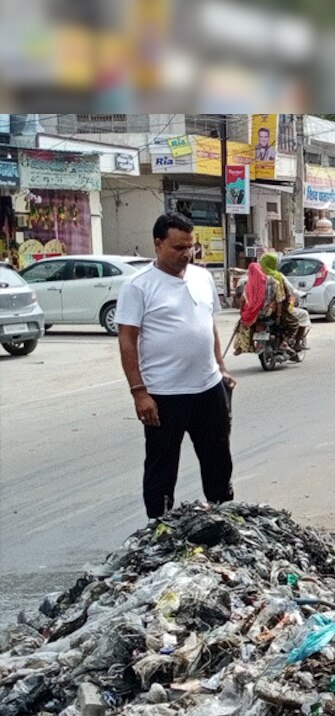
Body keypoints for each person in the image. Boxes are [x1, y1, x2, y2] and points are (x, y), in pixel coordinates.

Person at [116, 212, 236, 519]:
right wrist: (139, 393)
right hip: (164, 394)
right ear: (158, 244)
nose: (186, 254)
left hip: (208, 388)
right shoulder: (138, 286)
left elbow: (207, 326)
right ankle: (159, 526)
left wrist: (221, 368)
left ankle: (224, 515)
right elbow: (127, 340)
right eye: (178, 248)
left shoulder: (202, 277)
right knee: (161, 466)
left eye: (190, 247)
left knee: (218, 459)